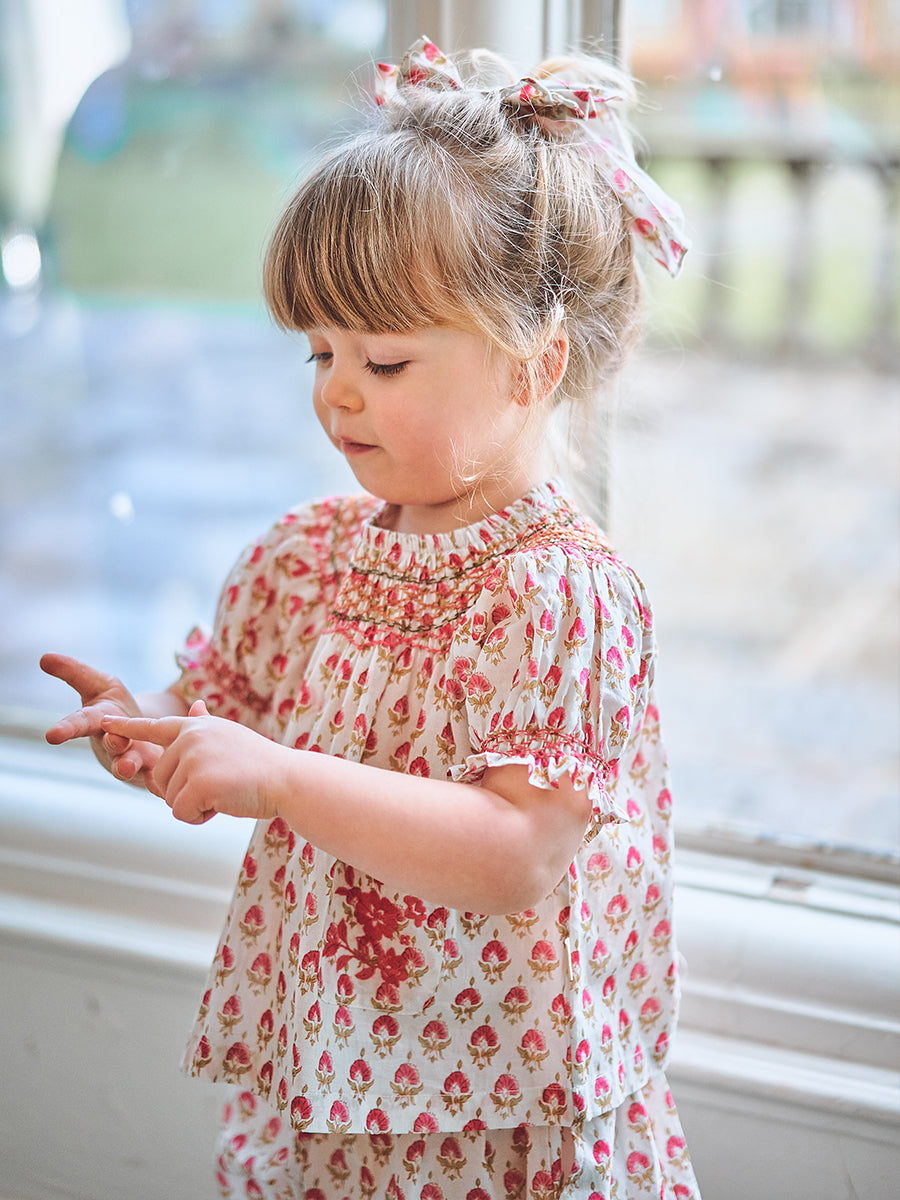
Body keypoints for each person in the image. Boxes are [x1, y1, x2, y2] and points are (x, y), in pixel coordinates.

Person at [41, 36, 700, 1200]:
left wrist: (282, 779)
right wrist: (150, 736)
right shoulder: (307, 560)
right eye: (320, 350)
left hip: (497, 1105)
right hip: (338, 1081)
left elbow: (517, 852)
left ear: (534, 366)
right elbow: (229, 729)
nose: (337, 391)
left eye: (385, 362)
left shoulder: (557, 593)